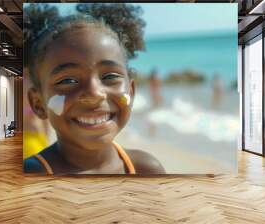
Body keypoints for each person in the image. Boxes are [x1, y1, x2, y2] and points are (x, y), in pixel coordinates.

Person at [23, 3, 165, 174]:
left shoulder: (145, 169)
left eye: (110, 77)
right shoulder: (32, 174)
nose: (94, 93)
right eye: (68, 80)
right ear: (38, 104)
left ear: (132, 92)